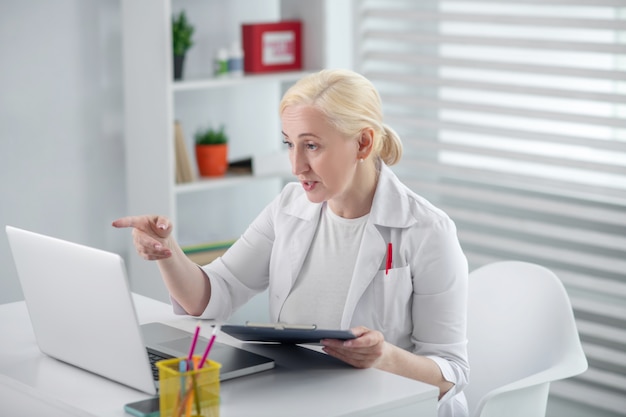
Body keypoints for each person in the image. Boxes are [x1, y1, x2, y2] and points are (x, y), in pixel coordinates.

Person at [113, 68, 469, 416]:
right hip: (302, 399)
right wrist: (167, 251)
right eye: (289, 144)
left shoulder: (427, 230)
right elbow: (215, 292)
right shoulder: (288, 206)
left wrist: (383, 357)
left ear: (363, 143)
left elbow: (450, 373)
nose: (296, 165)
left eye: (311, 145)